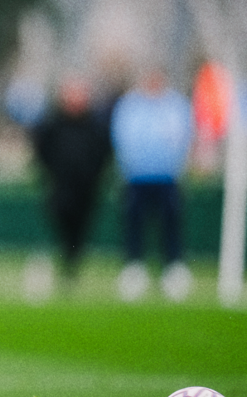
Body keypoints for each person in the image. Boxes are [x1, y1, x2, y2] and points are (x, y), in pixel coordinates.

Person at [109, 69, 193, 301]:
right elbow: (121, 136)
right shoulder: (130, 106)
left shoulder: (176, 105)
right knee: (134, 224)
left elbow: (185, 135)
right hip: (136, 177)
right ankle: (134, 268)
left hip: (168, 177)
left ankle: (173, 269)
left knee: (171, 223)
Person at [33, 77, 111, 282]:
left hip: (86, 188)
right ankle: (67, 262)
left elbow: (103, 153)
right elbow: (42, 151)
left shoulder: (94, 126)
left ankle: (72, 267)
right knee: (63, 223)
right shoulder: (53, 124)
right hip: (61, 187)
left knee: (81, 229)